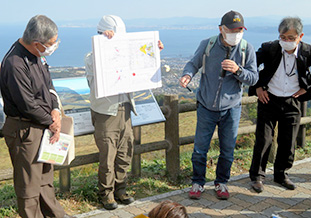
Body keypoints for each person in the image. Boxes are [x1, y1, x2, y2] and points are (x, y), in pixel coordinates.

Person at [84, 15, 164, 210]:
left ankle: (121, 189)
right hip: (106, 113)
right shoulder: (92, 57)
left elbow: (139, 65)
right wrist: (105, 45)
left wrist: (153, 51)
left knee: (124, 151)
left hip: (125, 108)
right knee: (108, 156)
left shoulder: (123, 53)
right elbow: (98, 69)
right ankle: (106, 194)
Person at [180, 10, 258, 200]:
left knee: (228, 150)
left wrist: (238, 70)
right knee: (200, 149)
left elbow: (254, 78)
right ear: (221, 29)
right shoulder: (208, 45)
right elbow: (193, 63)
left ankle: (221, 183)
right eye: (232, 30)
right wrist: (187, 75)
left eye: (240, 29)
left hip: (232, 108)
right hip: (206, 106)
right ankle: (198, 183)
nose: (236, 33)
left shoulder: (247, 49)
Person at [0, 15, 72, 218]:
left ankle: (54, 215)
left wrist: (56, 111)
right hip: (26, 130)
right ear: (37, 43)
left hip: (44, 125)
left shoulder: (37, 56)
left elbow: (48, 84)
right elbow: (27, 104)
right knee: (29, 186)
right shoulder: (15, 63)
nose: (54, 46)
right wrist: (51, 122)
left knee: (44, 180)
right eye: (51, 43)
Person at [249, 17, 311, 193]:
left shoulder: (307, 51)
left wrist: (308, 90)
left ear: (300, 36)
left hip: (292, 101)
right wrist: (258, 87)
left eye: (291, 38)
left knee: (288, 140)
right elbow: (251, 66)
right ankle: (258, 177)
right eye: (283, 37)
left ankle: (281, 174)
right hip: (269, 99)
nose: (287, 41)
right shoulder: (271, 48)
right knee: (264, 139)